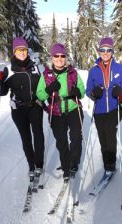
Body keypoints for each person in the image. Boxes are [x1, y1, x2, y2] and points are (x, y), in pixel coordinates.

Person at [0, 37, 45, 178]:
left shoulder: (35, 67)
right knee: (26, 138)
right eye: (19, 50)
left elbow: (43, 86)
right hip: (18, 109)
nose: (22, 52)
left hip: (35, 106)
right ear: (14, 52)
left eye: (24, 49)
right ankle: (31, 165)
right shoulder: (9, 69)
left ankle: (39, 164)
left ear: (27, 51)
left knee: (38, 135)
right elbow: (3, 92)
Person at [36, 43, 85, 181]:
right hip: (56, 111)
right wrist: (49, 89)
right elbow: (40, 95)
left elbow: (82, 90)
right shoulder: (46, 75)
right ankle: (66, 166)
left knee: (76, 137)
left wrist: (78, 92)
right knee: (61, 141)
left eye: (62, 56)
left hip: (73, 107)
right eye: (56, 56)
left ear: (65, 57)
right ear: (52, 58)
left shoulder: (72, 73)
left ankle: (74, 163)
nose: (59, 58)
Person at [86, 37, 122, 176]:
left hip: (115, 109)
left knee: (110, 134)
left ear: (112, 51)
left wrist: (120, 92)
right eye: (102, 50)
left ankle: (111, 165)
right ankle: (106, 165)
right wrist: (94, 93)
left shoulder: (119, 68)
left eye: (108, 50)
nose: (105, 53)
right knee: (103, 138)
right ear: (99, 51)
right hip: (99, 110)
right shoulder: (93, 70)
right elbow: (88, 91)